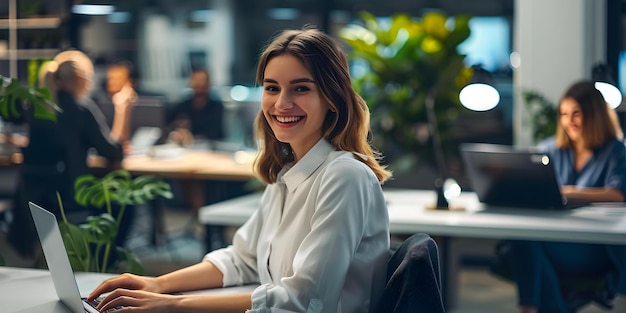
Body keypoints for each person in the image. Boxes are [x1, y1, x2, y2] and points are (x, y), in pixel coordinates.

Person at [88, 27, 393, 313]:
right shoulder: (288, 173)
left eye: (300, 88)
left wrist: (174, 305)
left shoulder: (345, 176)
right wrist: (158, 284)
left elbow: (304, 301)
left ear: (332, 98)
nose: (281, 103)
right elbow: (242, 259)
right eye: (272, 88)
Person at [509, 80, 626, 313]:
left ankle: (529, 307)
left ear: (594, 116)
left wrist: (569, 191)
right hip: (551, 237)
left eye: (576, 114)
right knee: (528, 240)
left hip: (592, 246)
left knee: (528, 242)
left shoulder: (614, 151)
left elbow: (618, 193)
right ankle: (533, 307)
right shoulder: (550, 149)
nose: (568, 121)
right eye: (563, 114)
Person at [8, 50, 124, 257]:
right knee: (124, 205)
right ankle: (108, 260)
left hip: (32, 198)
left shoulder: (34, 105)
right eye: (88, 79)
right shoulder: (80, 109)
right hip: (69, 197)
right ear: (79, 79)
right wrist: (124, 111)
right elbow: (112, 153)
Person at [166, 67, 225, 146]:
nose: (199, 85)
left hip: (209, 149)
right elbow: (166, 125)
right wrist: (177, 132)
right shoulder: (182, 106)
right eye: (196, 81)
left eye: (202, 81)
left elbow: (215, 134)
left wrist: (191, 138)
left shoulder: (216, 107)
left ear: (208, 84)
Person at [93, 59, 138, 145]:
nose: (113, 84)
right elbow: (113, 144)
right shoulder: (97, 108)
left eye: (119, 79)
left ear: (131, 82)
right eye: (111, 79)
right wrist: (120, 109)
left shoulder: (141, 105)